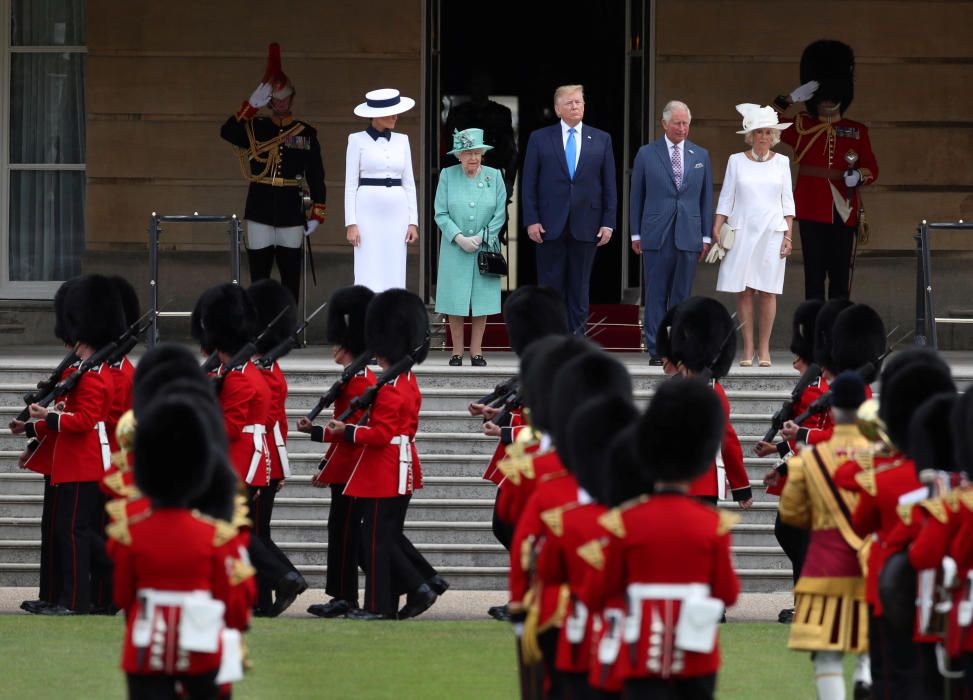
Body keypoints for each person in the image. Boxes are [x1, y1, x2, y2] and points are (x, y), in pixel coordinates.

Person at [601, 376, 740, 699]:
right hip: (696, 651)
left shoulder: (625, 522)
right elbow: (728, 593)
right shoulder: (712, 525)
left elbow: (604, 590)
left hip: (639, 648)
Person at [14, 275, 125, 615]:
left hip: (85, 461)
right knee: (66, 531)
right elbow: (69, 414)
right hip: (71, 460)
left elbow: (84, 421)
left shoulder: (93, 376)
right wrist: (43, 422)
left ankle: (76, 600)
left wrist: (47, 416)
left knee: (74, 533)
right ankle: (67, 596)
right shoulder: (82, 372)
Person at [778, 372, 873, 700]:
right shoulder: (879, 456)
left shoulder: (810, 458)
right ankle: (865, 673)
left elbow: (792, 514)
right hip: (868, 565)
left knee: (827, 656)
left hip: (823, 567)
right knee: (869, 640)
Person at [220, 43, 326, 304]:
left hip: (290, 208)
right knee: (259, 275)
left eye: (284, 98)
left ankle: (287, 328)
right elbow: (227, 132)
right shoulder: (256, 126)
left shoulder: (304, 132)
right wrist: (250, 107)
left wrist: (318, 212)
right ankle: (258, 327)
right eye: (275, 99)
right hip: (260, 206)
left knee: (290, 274)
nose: (280, 103)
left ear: (292, 98)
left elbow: (316, 174)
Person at [773, 40, 879, 300]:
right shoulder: (801, 125)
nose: (827, 100)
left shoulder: (857, 130)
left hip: (844, 210)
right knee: (814, 278)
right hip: (811, 209)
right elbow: (762, 121)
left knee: (840, 278)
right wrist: (790, 99)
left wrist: (859, 176)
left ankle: (837, 333)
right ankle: (813, 335)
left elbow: (872, 167)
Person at [301, 285, 376, 619]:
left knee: (345, 533)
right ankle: (342, 595)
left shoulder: (360, 381)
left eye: (337, 343)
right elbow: (339, 430)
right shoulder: (353, 377)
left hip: (352, 470)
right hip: (346, 467)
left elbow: (352, 436)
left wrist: (326, 468)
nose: (333, 348)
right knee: (341, 532)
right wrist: (315, 432)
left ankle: (347, 596)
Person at [522, 84, 617, 335]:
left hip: (587, 223)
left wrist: (608, 222)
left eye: (579, 102)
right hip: (549, 224)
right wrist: (531, 219)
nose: (575, 106)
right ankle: (549, 339)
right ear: (557, 109)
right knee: (550, 287)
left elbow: (609, 184)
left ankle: (576, 341)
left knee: (580, 287)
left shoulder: (601, 139)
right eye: (569, 103)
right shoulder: (540, 138)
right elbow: (529, 182)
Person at [630, 100, 713, 364]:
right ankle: (656, 349)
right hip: (656, 234)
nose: (682, 128)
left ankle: (678, 348)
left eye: (685, 123)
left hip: (688, 234)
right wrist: (635, 234)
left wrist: (706, 236)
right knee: (655, 294)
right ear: (664, 124)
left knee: (681, 296)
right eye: (677, 123)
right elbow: (636, 196)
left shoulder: (701, 155)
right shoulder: (646, 153)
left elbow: (706, 197)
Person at [712, 104, 795, 367]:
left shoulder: (782, 163)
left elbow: (788, 204)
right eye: (759, 132)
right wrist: (717, 225)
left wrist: (788, 237)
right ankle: (747, 348)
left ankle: (765, 349)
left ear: (774, 136)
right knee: (745, 290)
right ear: (751, 135)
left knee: (768, 291)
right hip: (742, 230)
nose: (763, 137)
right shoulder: (735, 161)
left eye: (768, 132)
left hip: (772, 232)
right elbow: (726, 197)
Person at [667, 297, 753, 508]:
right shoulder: (711, 391)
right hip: (700, 484)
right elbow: (728, 442)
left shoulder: (676, 391)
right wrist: (741, 487)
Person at [434, 128, 507, 366]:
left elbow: (500, 212)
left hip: (484, 247)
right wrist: (459, 237)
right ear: (458, 155)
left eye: (477, 153)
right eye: (467, 153)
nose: (473, 158)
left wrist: (483, 236)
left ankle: (476, 351)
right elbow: (440, 212)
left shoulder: (494, 176)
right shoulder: (447, 175)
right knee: (455, 300)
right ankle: (456, 351)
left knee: (481, 300)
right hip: (455, 248)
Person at [345, 88, 419, 292]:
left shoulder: (403, 140)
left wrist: (413, 222)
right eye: (390, 112)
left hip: (397, 211)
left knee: (395, 267)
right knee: (367, 267)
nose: (395, 117)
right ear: (375, 115)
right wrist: (351, 223)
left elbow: (409, 183)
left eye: (397, 112)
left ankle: (392, 318)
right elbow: (351, 184)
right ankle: (366, 317)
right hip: (367, 210)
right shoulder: (356, 140)